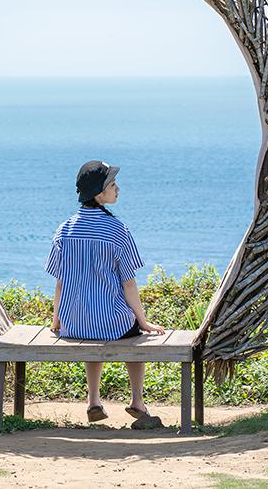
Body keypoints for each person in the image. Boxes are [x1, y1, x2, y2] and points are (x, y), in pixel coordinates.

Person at [46, 159, 166, 428]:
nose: (117, 188)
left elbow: (60, 282)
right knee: (133, 329)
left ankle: (94, 401)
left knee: (92, 329)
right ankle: (137, 400)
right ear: (100, 194)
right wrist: (143, 322)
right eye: (112, 184)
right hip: (110, 323)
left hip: (74, 324)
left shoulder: (64, 230)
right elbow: (128, 285)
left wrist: (57, 320)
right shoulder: (117, 230)